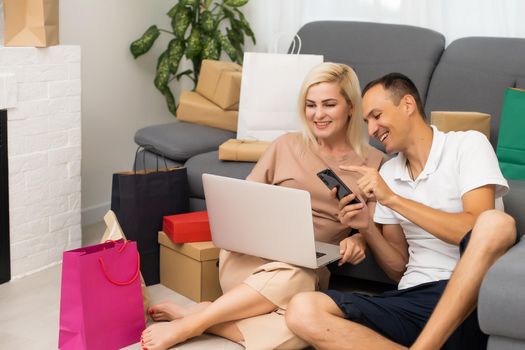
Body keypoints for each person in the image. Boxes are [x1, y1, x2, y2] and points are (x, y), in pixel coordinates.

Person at [140, 63, 385, 350]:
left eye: (329, 104)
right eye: (310, 105)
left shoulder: (373, 163)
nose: (318, 115)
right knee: (301, 304)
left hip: (307, 269)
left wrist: (358, 239)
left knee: (305, 328)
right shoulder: (285, 145)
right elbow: (244, 200)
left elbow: (376, 225)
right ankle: (189, 327)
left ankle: (202, 314)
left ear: (351, 107)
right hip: (251, 260)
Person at [285, 72, 519, 350]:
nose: (371, 129)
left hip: (467, 299)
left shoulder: (467, 145)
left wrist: (393, 199)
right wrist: (366, 228)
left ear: (407, 105)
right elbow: (398, 269)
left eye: (376, 115)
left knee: (496, 223)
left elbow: (472, 230)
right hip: (409, 299)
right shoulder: (389, 172)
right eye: (366, 121)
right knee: (302, 309)